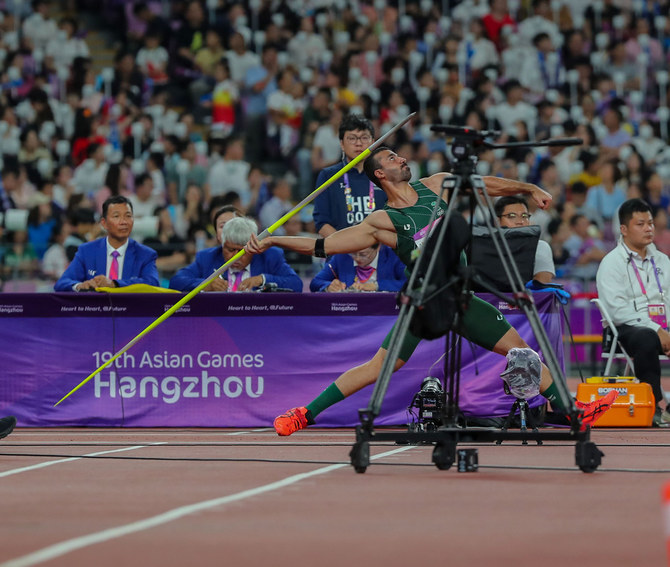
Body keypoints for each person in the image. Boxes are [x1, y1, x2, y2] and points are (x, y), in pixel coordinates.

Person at [246, 146, 617, 435]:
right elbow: (323, 246)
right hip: (423, 301)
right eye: (393, 157)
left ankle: (572, 414)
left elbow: (484, 185)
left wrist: (527, 187)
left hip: (461, 296)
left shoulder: (436, 184)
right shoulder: (383, 222)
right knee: (379, 367)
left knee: (522, 351)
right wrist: (274, 238)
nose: (402, 158)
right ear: (380, 173)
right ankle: (304, 414)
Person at [596, 199, 670, 427]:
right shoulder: (612, 263)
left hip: (664, 327)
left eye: (650, 223)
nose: (649, 228)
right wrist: (657, 329)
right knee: (646, 336)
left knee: (651, 334)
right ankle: (655, 404)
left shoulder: (663, 260)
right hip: (626, 330)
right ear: (624, 229)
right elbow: (617, 311)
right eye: (641, 224)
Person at [169, 216, 302, 293]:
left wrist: (262, 279)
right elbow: (176, 282)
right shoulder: (207, 257)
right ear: (222, 244)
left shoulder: (271, 256)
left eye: (243, 251)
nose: (236, 256)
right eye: (231, 250)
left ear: (255, 247)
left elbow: (296, 284)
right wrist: (205, 285)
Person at [54, 196, 159, 291]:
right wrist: (80, 286)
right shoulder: (87, 251)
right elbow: (62, 283)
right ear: (104, 223)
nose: (124, 222)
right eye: (116, 216)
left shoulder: (146, 254)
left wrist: (115, 284)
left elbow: (152, 283)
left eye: (128, 216)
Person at [312, 114, 387, 237]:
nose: (358, 143)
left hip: (378, 250)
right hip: (340, 251)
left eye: (364, 138)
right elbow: (321, 223)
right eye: (352, 138)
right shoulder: (328, 176)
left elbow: (394, 219)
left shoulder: (384, 175)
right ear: (342, 144)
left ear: (373, 143)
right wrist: (347, 247)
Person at [493, 196, 555, 284]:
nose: (520, 221)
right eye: (512, 216)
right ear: (497, 222)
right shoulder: (487, 246)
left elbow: (542, 286)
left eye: (524, 216)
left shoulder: (540, 247)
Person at [310, 243, 406, 293]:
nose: (357, 258)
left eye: (363, 254)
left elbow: (410, 284)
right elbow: (315, 282)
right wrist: (328, 286)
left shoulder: (393, 256)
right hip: (349, 311)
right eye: (353, 253)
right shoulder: (342, 256)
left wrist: (376, 286)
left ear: (378, 247)